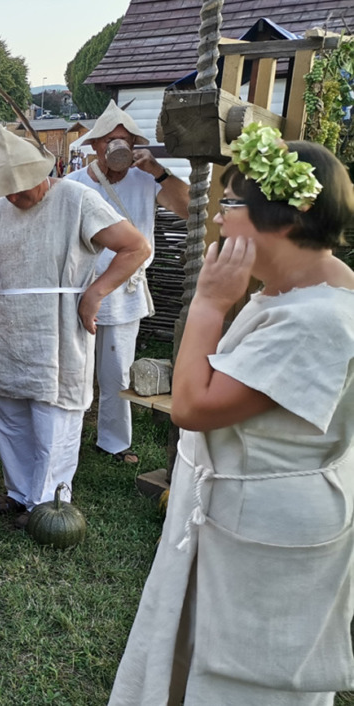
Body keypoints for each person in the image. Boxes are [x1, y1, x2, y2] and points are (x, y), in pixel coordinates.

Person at [109, 127, 354, 704]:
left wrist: (209, 304)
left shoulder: (316, 319)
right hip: (244, 508)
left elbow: (192, 407)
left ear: (287, 219)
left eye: (232, 204)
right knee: (206, 656)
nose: (218, 218)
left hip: (268, 520)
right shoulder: (297, 292)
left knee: (247, 674)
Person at [0, 128, 149, 528]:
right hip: (10, 328)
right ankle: (20, 493)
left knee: (54, 415)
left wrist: (95, 293)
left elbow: (135, 246)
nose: (14, 197)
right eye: (7, 190)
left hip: (57, 325)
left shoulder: (77, 199)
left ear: (41, 173)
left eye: (21, 189)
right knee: (13, 413)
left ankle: (48, 502)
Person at [67, 100, 190, 464]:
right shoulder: (73, 185)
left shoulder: (146, 180)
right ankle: (66, 438)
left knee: (117, 370)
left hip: (125, 290)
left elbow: (188, 208)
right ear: (95, 145)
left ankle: (114, 443)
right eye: (108, 140)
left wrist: (158, 171)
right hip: (82, 287)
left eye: (123, 140)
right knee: (75, 368)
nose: (114, 147)